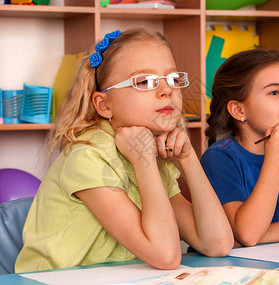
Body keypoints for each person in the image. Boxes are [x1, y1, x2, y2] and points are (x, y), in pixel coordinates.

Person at [15, 28, 233, 273]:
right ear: (104, 104)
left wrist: (188, 158)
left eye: (172, 79)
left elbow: (218, 244)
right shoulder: (88, 157)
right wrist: (143, 161)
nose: (166, 91)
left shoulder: (153, 152)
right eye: (144, 82)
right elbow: (166, 256)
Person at [201, 48, 279, 247]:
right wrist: (276, 160)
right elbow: (248, 231)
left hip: (270, 260)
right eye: (275, 92)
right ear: (239, 110)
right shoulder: (219, 158)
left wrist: (258, 237)